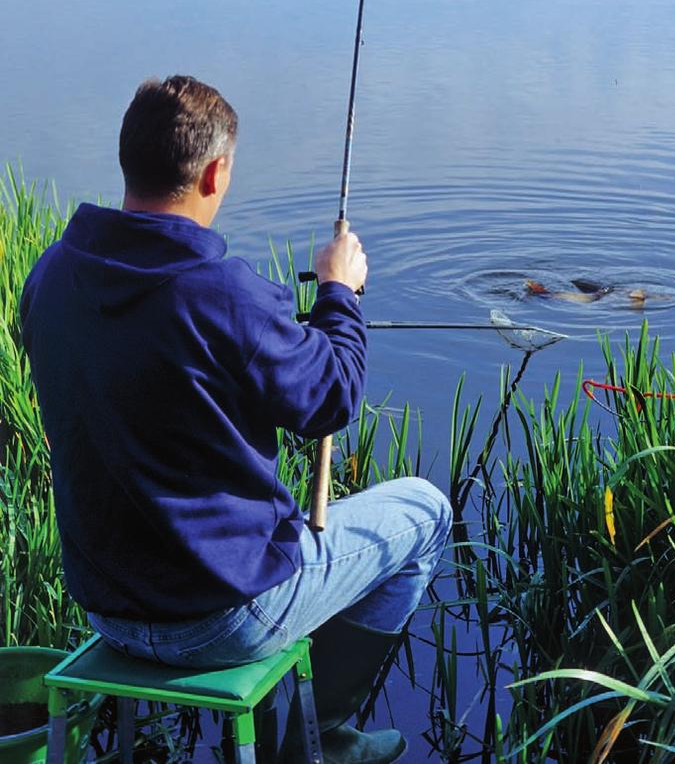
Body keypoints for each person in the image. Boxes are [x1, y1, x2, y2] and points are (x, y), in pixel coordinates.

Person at [20, 75, 452, 764]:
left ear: (127, 158)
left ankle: (295, 717)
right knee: (425, 511)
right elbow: (332, 397)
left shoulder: (49, 276)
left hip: (105, 604)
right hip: (226, 616)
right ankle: (324, 737)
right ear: (215, 171)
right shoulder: (223, 294)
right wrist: (340, 292)